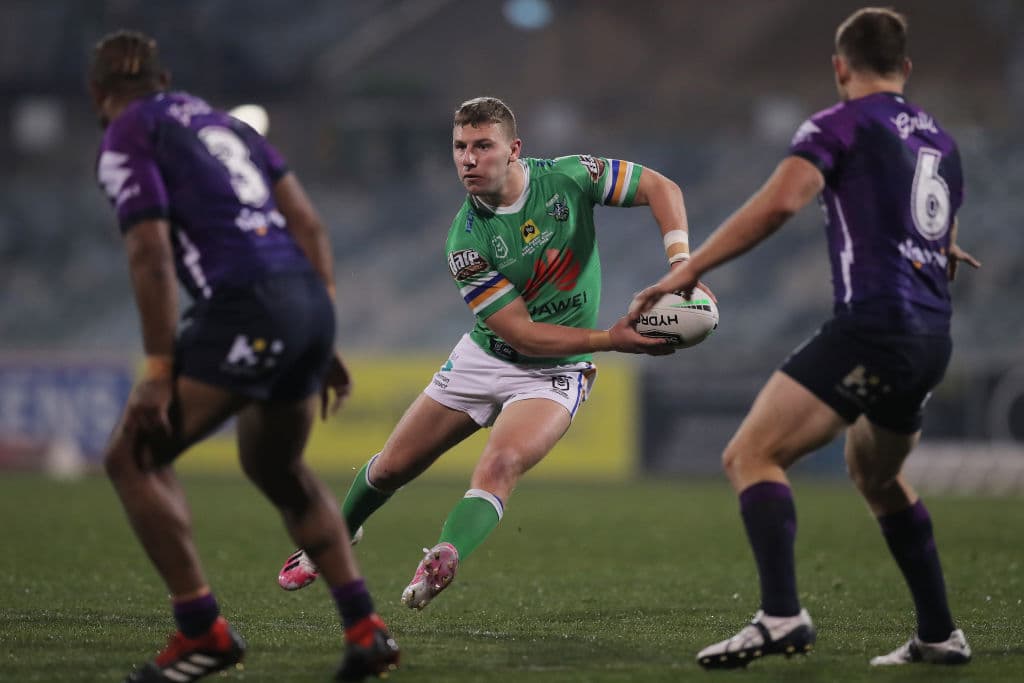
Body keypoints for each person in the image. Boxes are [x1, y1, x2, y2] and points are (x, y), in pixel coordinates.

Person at [630, 7, 980, 670]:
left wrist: (691, 266)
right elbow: (940, 227)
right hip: (933, 336)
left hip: (875, 325)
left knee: (749, 454)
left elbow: (781, 202)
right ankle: (939, 633)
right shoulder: (940, 140)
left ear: (839, 66)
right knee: (876, 475)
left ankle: (781, 614)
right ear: (904, 68)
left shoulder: (836, 124)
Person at [278, 96, 696, 610]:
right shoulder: (465, 240)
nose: (468, 159)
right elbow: (522, 334)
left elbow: (661, 187)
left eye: (482, 146)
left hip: (555, 373)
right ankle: (334, 537)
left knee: (500, 464)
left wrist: (681, 267)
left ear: (514, 149)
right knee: (390, 469)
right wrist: (613, 339)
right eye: (459, 147)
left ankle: (445, 554)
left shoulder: (569, 177)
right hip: (488, 357)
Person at [89, 30, 399, 682]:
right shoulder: (217, 122)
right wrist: (324, 328)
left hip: (245, 304)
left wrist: (156, 370)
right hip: (306, 300)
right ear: (162, 78)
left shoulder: (127, 133)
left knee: (132, 457)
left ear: (101, 94)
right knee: (275, 467)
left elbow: (149, 253)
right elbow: (309, 225)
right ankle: (365, 628)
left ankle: (203, 633)